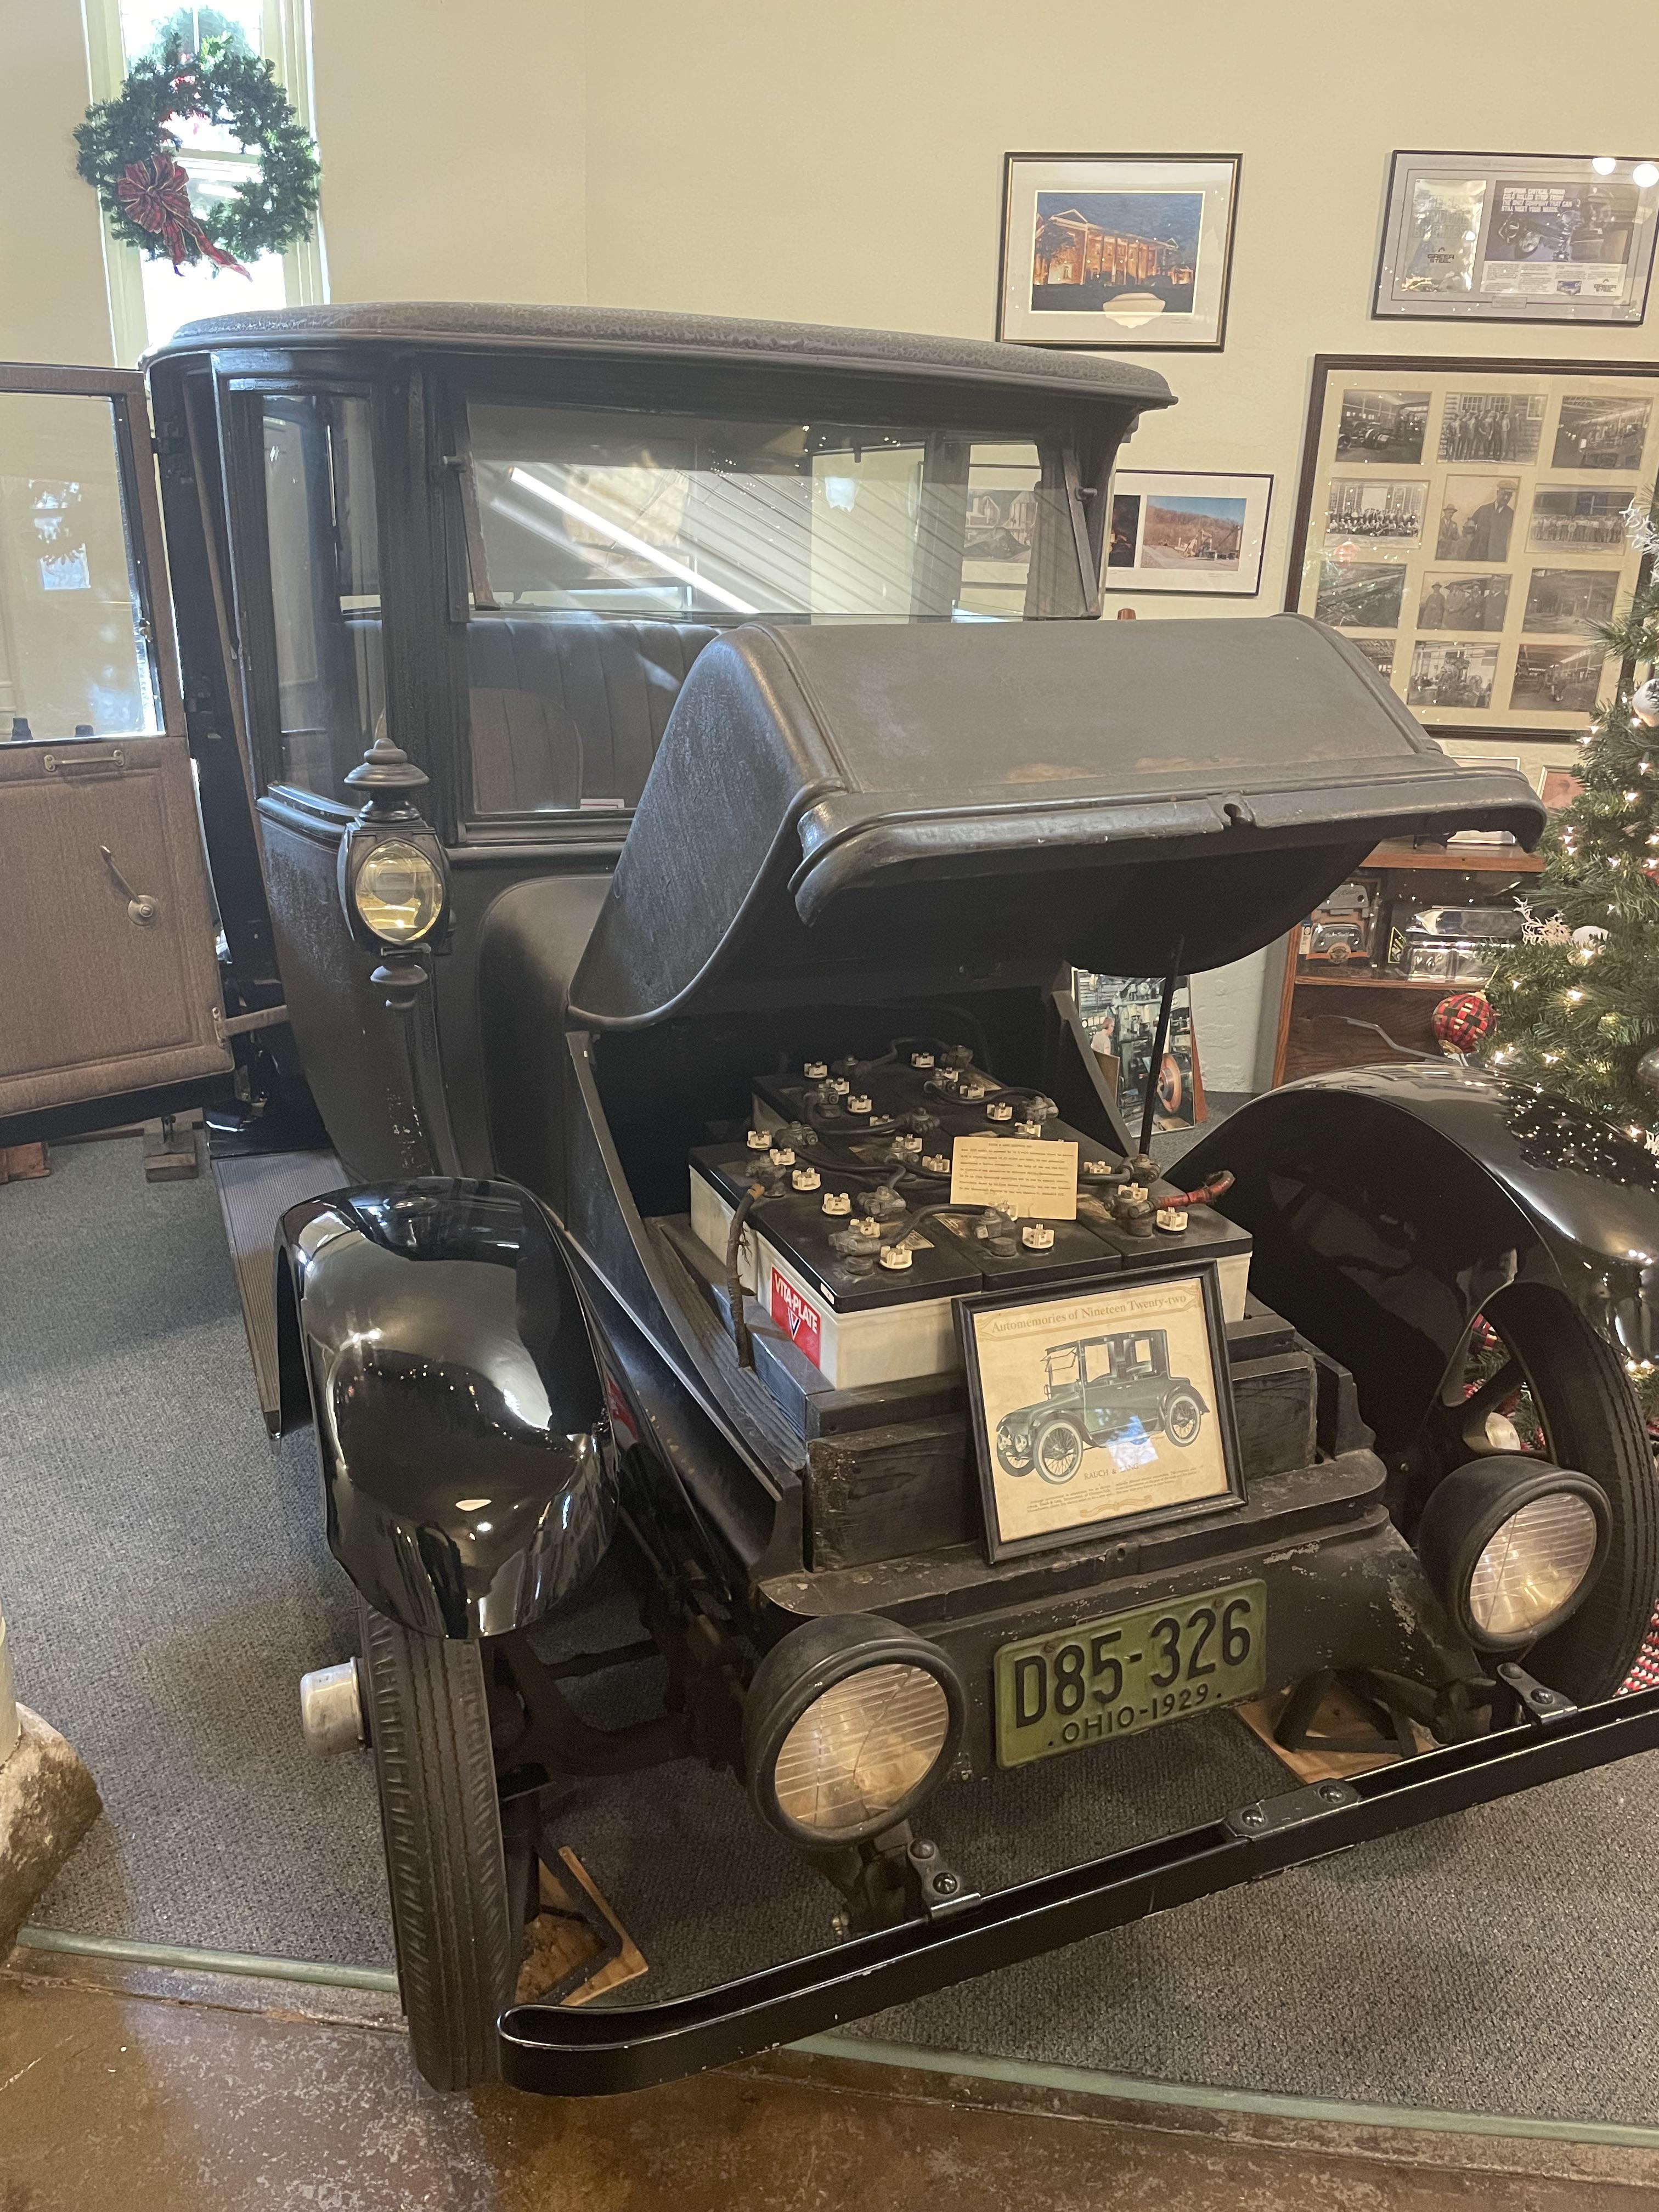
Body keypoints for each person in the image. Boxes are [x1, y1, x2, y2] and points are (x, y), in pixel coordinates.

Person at [1463, 483, 1515, 562]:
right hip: (1478, 553)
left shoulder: (1511, 514)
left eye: (1509, 495)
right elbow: (1470, 523)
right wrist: (1473, 536)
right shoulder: (1483, 509)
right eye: (1504, 494)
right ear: (1498, 493)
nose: (1506, 498)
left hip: (1497, 555)